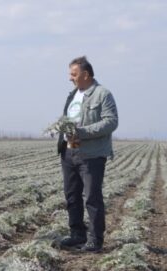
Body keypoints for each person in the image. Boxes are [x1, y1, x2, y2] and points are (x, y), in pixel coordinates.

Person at [57, 56, 118, 252]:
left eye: (73, 74)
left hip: (91, 154)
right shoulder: (72, 95)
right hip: (69, 152)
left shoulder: (102, 94)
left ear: (86, 74)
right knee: (72, 196)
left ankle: (95, 240)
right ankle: (77, 235)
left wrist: (82, 132)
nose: (70, 78)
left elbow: (111, 122)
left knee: (92, 197)